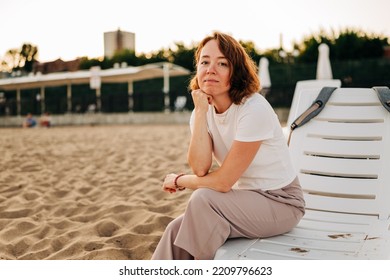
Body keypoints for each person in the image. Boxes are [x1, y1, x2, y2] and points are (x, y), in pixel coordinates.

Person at [151, 32, 305, 260]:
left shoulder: (253, 109)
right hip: (241, 201)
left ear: (236, 72)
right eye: (204, 62)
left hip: (282, 202)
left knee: (203, 200)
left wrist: (179, 180)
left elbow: (223, 183)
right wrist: (202, 112)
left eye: (222, 63)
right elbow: (201, 169)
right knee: (176, 229)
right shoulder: (200, 112)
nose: (210, 69)